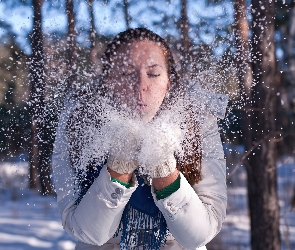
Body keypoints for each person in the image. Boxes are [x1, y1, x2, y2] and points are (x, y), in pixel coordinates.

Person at [52, 28, 228, 250]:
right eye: (126, 73)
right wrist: (119, 167)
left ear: (169, 82)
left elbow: (201, 234)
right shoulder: (79, 124)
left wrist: (164, 170)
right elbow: (86, 232)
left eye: (153, 74)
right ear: (108, 81)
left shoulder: (198, 123)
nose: (140, 85)